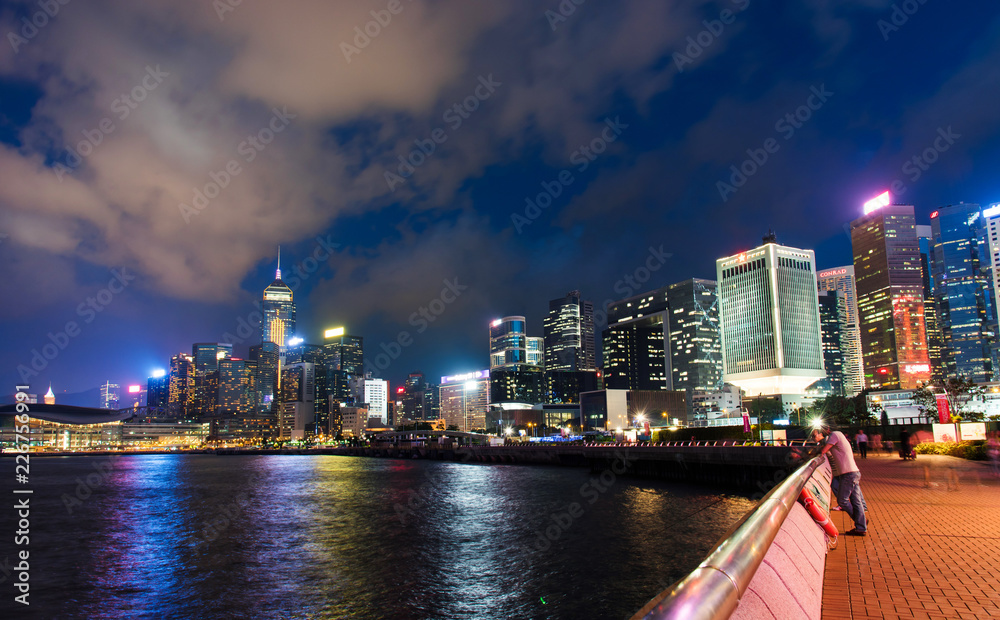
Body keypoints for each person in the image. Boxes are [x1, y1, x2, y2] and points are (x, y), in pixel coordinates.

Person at [810, 425, 867, 536]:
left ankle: (860, 523)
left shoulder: (835, 435)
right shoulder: (837, 435)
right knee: (856, 502)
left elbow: (823, 451)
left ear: (827, 429)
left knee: (842, 501)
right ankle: (861, 527)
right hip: (853, 472)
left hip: (848, 474)